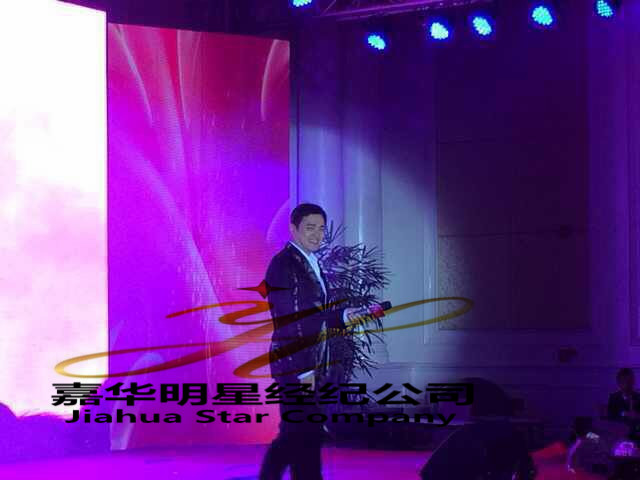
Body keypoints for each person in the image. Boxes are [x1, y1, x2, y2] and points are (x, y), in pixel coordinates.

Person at [259, 203, 380, 480]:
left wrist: (347, 315)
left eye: (321, 228)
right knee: (299, 433)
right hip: (296, 364)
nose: (317, 234)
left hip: (309, 363)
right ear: (293, 229)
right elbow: (289, 320)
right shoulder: (284, 264)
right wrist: (304, 371)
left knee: (302, 434)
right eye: (310, 228)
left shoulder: (309, 261)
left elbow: (314, 316)